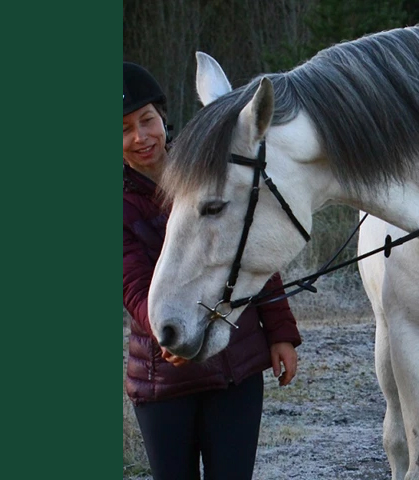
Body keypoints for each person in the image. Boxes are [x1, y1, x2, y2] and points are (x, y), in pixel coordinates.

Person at [123, 61, 302, 480]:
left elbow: (250, 250)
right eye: (124, 128)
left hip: (235, 370)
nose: (140, 137)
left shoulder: (210, 168)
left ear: (163, 117)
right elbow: (132, 284)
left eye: (147, 120)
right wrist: (167, 331)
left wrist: (281, 333)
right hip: (163, 378)